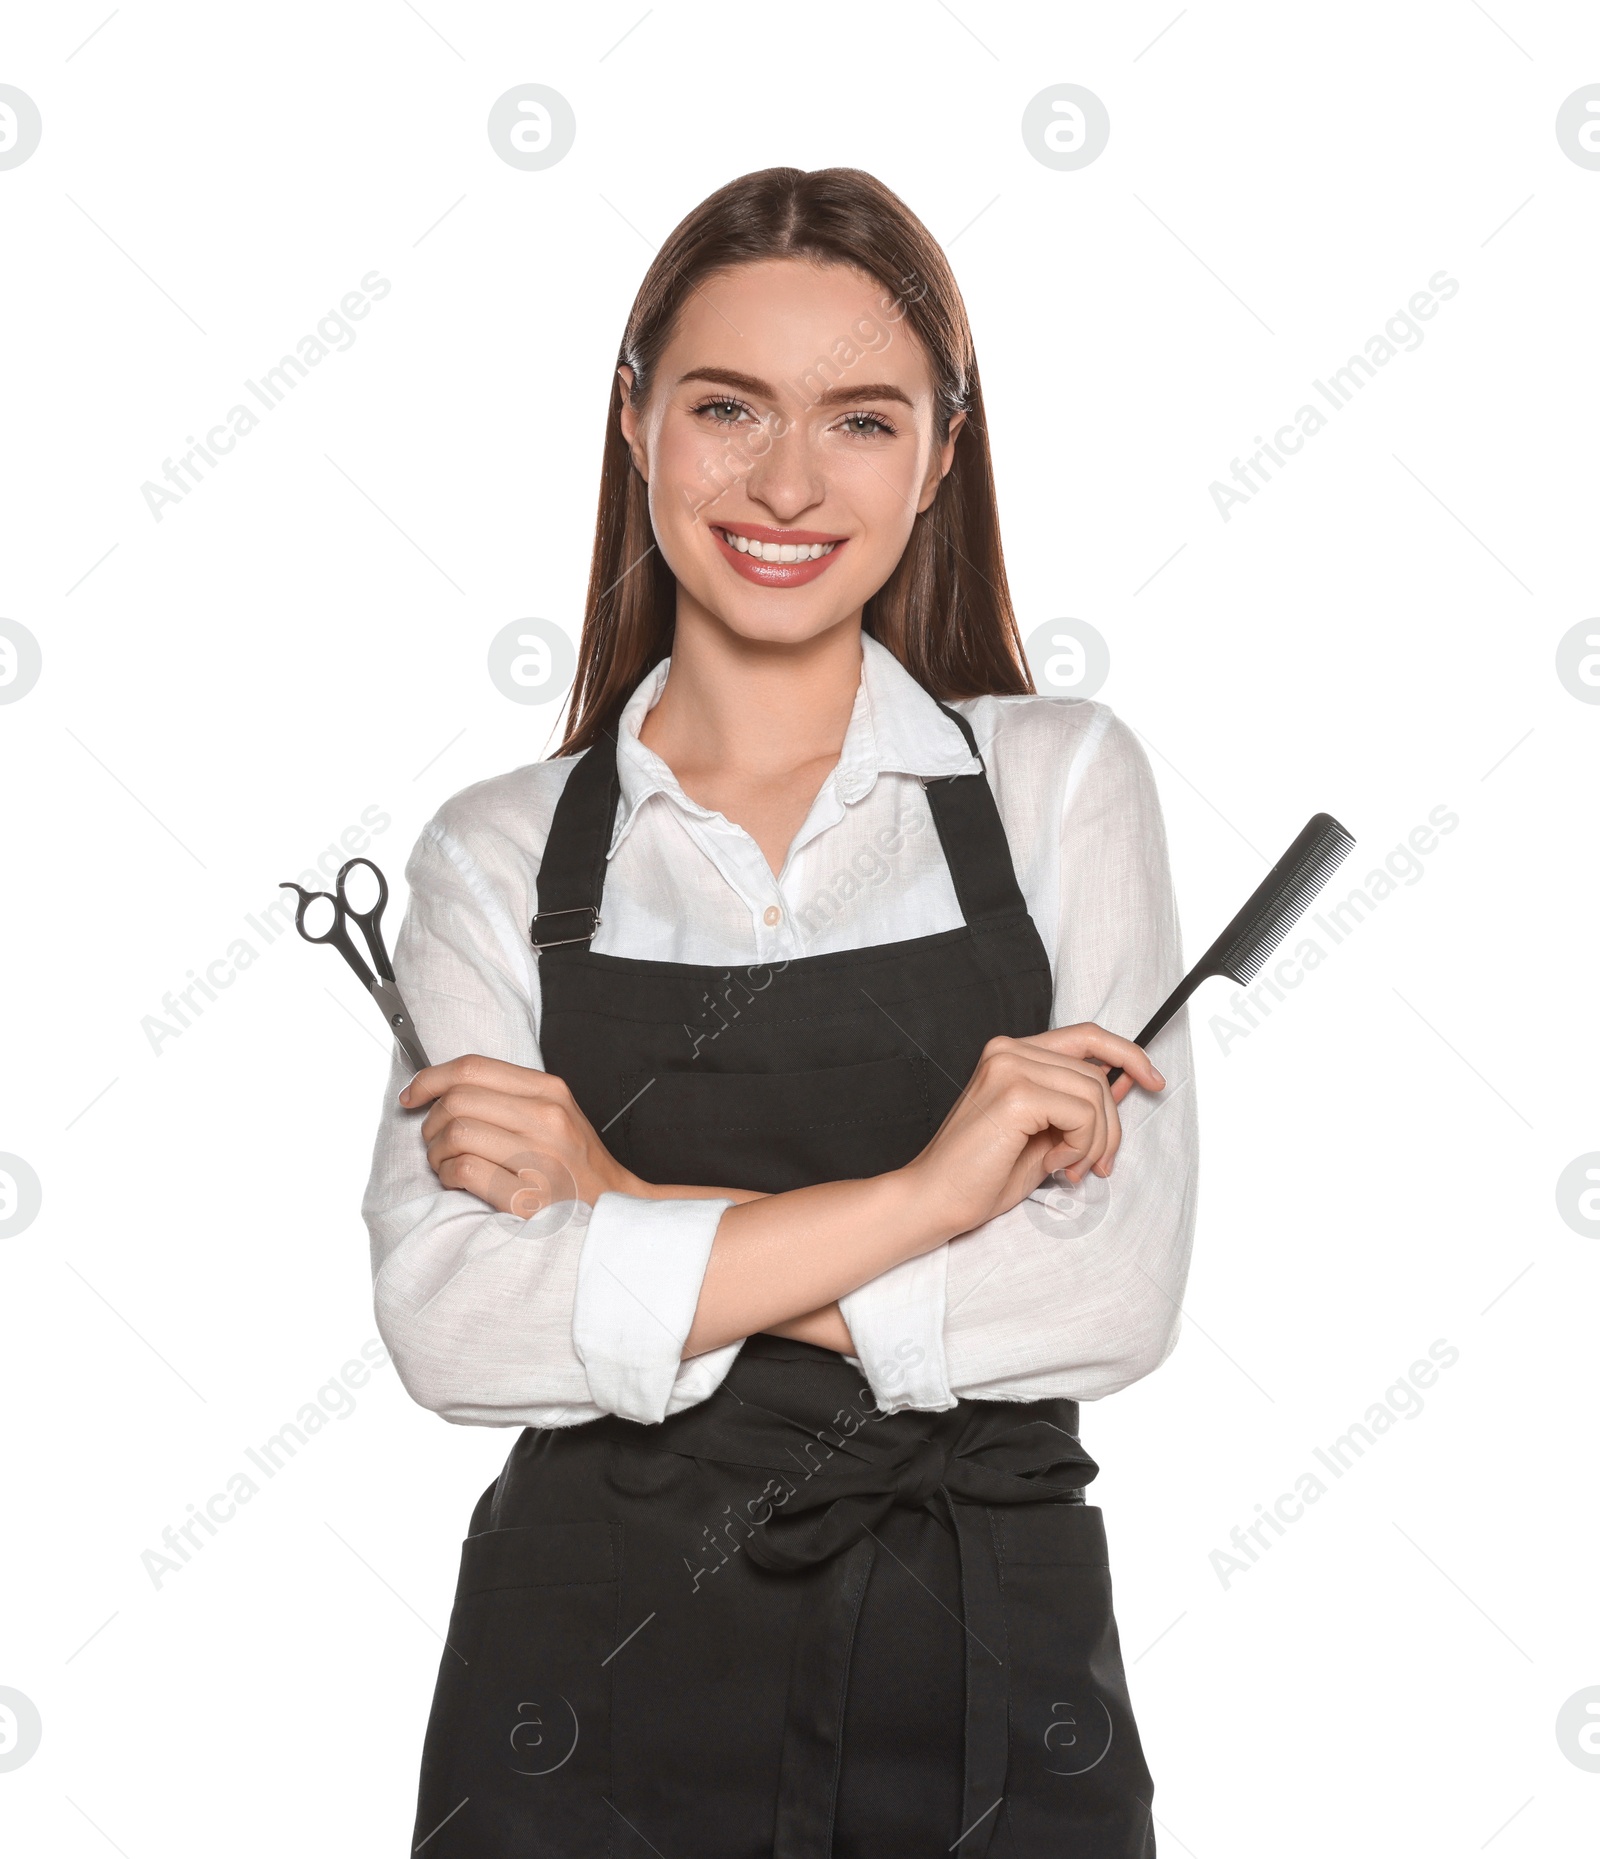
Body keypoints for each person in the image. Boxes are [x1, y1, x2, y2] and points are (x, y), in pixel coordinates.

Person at [363, 165, 1198, 1858]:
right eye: (729, 407)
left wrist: (613, 1208)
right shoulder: (493, 854)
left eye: (864, 420)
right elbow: (454, 1326)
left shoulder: (1058, 787)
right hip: (582, 1691)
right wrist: (923, 1205)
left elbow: (1105, 1293)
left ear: (941, 452)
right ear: (635, 420)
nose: (790, 482)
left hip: (990, 1670)